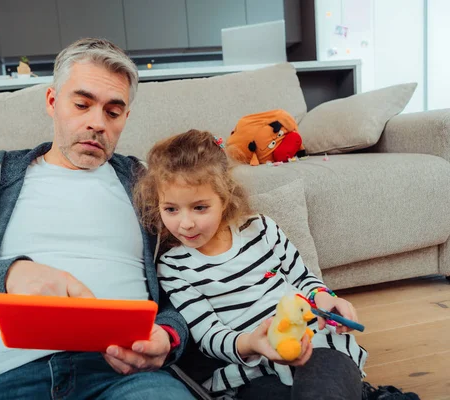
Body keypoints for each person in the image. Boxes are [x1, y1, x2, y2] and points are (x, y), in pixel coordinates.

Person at [0, 38, 195, 400]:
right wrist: (7, 276)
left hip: (121, 376)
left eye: (113, 113)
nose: (97, 123)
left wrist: (168, 335)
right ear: (53, 102)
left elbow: (190, 287)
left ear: (125, 118)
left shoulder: (149, 184)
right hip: (2, 375)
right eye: (82, 104)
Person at [133, 129, 367, 400]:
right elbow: (210, 336)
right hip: (249, 368)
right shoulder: (173, 267)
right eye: (171, 209)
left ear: (225, 197)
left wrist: (324, 298)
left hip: (314, 344)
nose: (185, 223)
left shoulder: (261, 229)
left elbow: (304, 280)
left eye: (199, 208)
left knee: (326, 385)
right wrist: (252, 344)